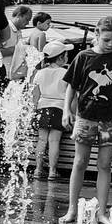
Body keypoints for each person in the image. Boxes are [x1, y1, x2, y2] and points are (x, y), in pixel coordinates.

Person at [59, 15, 112, 224]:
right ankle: (72, 209)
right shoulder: (83, 57)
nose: (111, 44)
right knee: (79, 162)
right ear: (97, 34)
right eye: (107, 40)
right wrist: (66, 110)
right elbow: (72, 86)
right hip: (85, 117)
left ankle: (102, 212)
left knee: (104, 164)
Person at [31, 38, 72, 181]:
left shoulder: (40, 73)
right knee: (54, 141)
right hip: (59, 108)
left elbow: (35, 95)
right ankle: (52, 171)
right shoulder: (65, 72)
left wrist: (34, 110)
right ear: (60, 58)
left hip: (42, 108)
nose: (67, 57)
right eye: (66, 55)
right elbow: (71, 95)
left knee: (42, 140)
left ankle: (38, 169)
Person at [5, 4, 35, 82]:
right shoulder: (5, 29)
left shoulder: (18, 31)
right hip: (5, 75)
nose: (28, 23)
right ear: (19, 15)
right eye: (27, 19)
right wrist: (20, 49)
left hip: (16, 76)